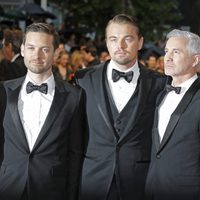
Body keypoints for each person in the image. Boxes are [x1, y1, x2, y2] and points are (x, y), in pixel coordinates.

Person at [75, 14, 166, 200]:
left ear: (140, 43)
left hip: (139, 182)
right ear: (106, 42)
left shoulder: (160, 83)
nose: (120, 46)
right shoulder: (82, 79)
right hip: (93, 181)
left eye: (128, 39)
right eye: (113, 39)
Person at [0, 22, 85, 200]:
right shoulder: (4, 92)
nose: (36, 55)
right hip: (8, 188)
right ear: (22, 50)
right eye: (31, 48)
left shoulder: (74, 96)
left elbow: (75, 154)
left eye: (44, 49)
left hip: (52, 191)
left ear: (56, 53)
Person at [145, 29, 200, 200]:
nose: (167, 57)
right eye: (167, 51)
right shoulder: (161, 94)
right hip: (153, 188)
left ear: (195, 59)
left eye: (176, 52)